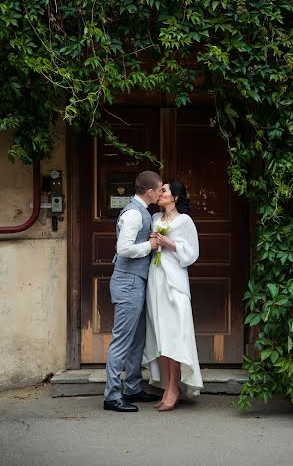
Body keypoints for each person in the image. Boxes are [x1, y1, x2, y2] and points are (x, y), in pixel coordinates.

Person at [103, 170, 163, 413]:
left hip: (136, 281)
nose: (160, 193)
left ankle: (132, 387)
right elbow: (124, 248)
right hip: (128, 282)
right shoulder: (133, 214)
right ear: (149, 192)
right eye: (159, 189)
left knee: (137, 338)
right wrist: (150, 245)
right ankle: (112, 395)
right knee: (122, 340)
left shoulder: (142, 212)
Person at [142, 180, 203, 411]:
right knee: (161, 336)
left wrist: (169, 243)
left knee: (176, 334)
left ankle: (175, 389)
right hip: (156, 280)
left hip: (175, 283)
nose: (160, 193)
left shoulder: (185, 221)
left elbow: (192, 253)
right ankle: (168, 386)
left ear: (175, 197)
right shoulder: (155, 219)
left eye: (164, 190)